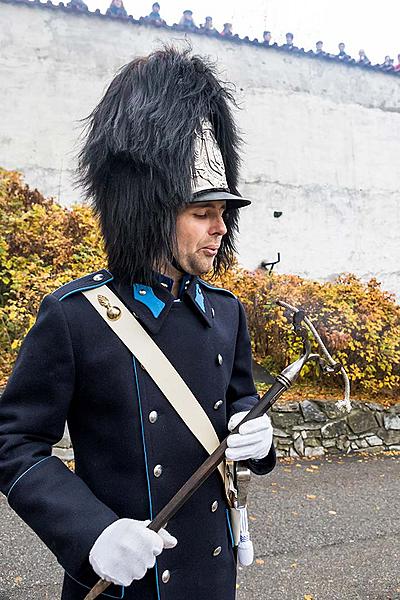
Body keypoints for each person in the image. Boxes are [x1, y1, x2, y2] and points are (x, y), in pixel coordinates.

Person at [0, 47, 276, 600]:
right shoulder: (76, 316)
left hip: (214, 577)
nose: (220, 228)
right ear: (150, 212)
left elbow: (240, 404)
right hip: (128, 580)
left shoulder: (226, 311)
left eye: (224, 214)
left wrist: (259, 437)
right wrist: (91, 532)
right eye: (203, 213)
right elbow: (16, 443)